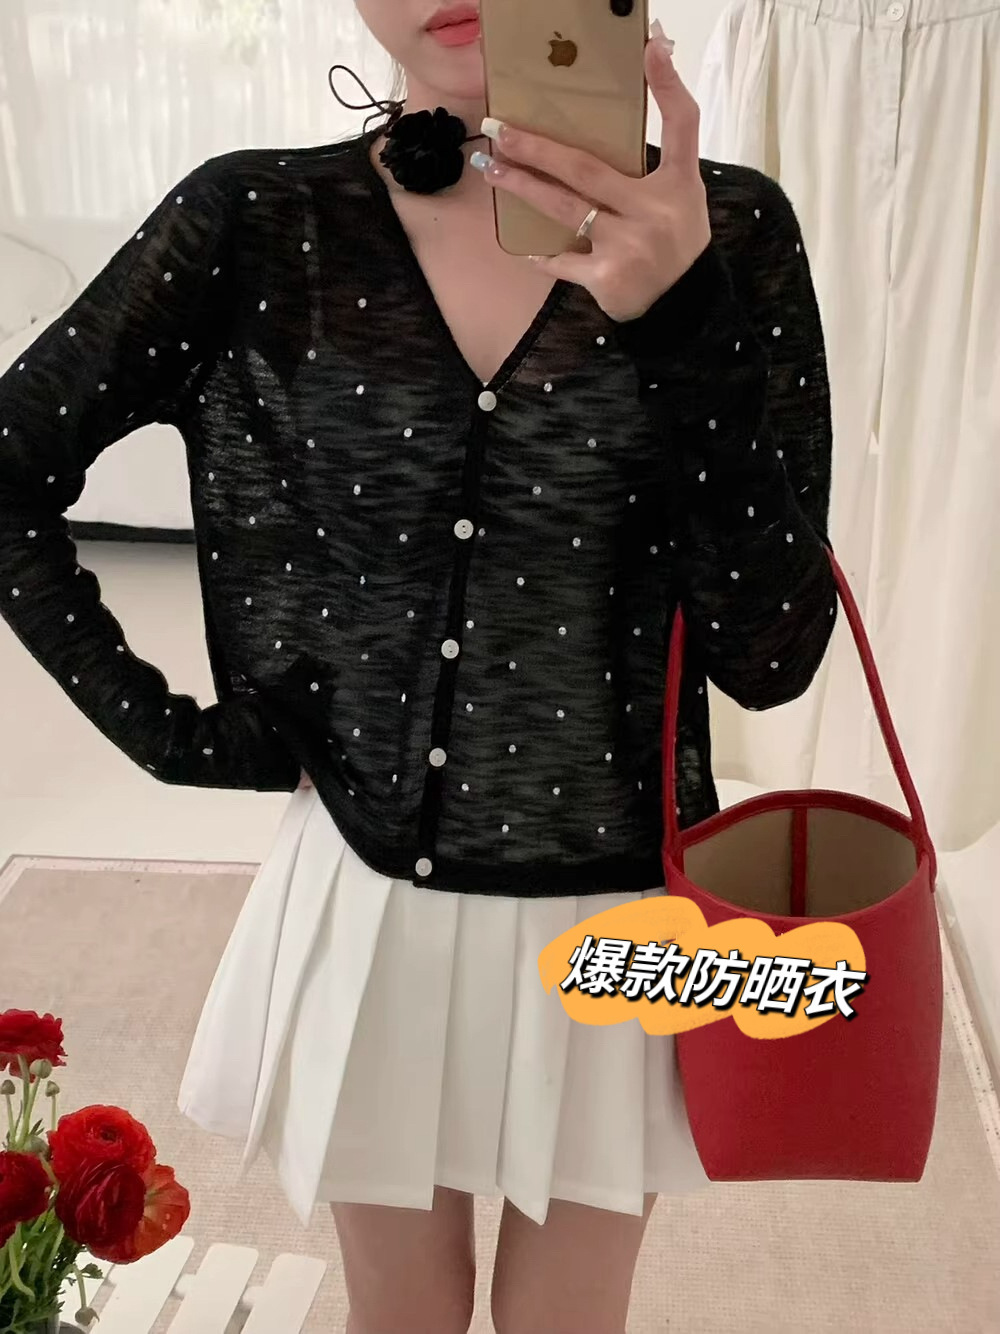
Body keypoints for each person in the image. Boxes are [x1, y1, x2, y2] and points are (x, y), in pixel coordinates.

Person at [0, 3, 837, 1331]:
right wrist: (168, 732)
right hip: (371, 892)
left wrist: (684, 318)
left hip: (628, 909)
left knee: (571, 1320)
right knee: (401, 1315)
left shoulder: (725, 231)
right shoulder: (256, 220)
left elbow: (774, 653)